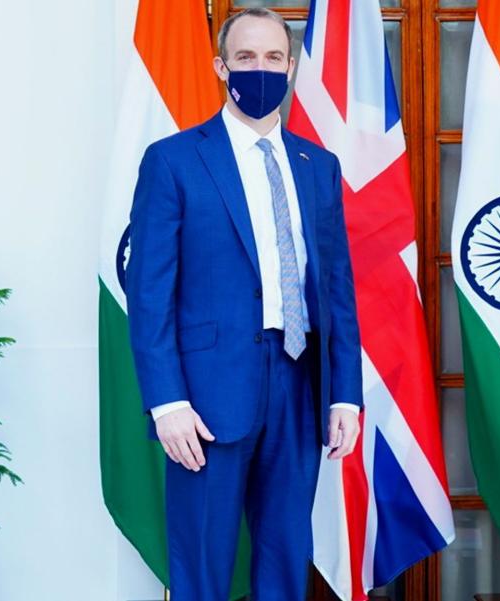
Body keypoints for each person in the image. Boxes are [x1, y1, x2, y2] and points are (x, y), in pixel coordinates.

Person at [125, 8, 362, 600]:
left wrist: (345, 393)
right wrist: (166, 402)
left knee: (286, 558)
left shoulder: (318, 165)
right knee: (202, 565)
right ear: (221, 66)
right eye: (247, 58)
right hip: (205, 398)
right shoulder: (173, 159)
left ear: (289, 67)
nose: (262, 69)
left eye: (274, 58)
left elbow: (336, 288)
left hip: (299, 386)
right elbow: (150, 292)